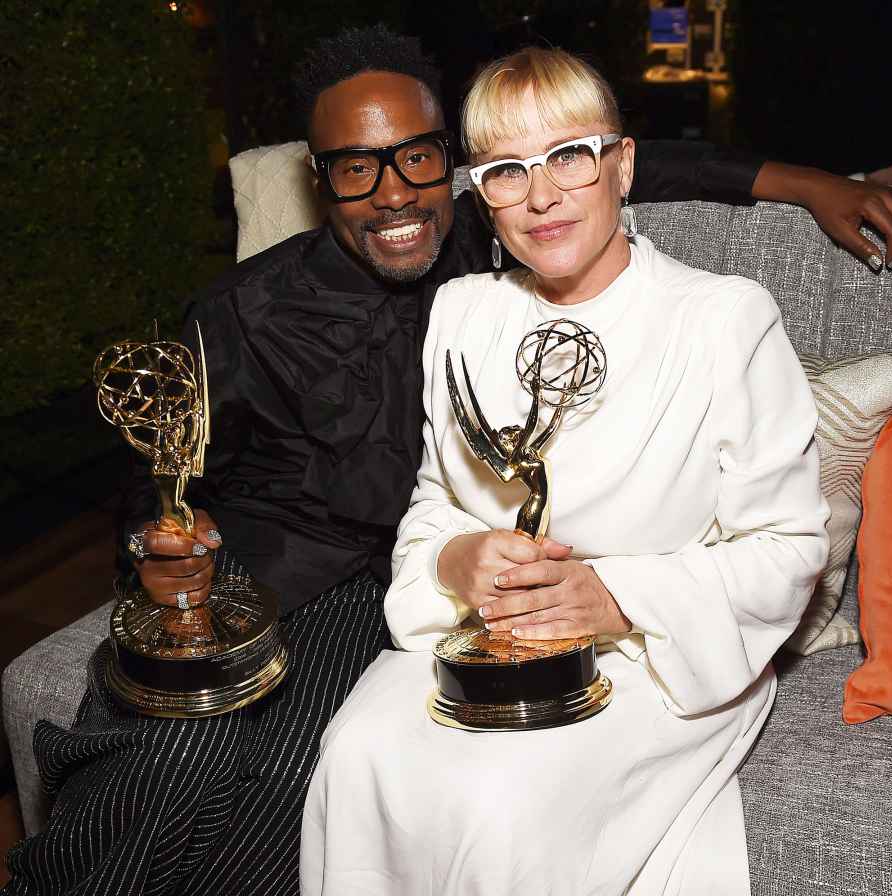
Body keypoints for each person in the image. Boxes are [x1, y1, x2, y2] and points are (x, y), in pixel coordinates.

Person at [1, 24, 892, 896]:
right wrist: (163, 552)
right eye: (356, 169)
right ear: (323, 184)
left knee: (324, 780)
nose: (393, 196)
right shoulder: (271, 309)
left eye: (417, 160)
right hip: (295, 579)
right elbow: (165, 490)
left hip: (513, 617)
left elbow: (602, 159)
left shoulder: (537, 258)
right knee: (209, 756)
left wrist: (811, 181)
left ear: (447, 170)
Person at [297, 47, 830, 894]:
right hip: (481, 641)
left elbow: (791, 546)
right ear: (482, 197)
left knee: (501, 809)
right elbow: (437, 498)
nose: (540, 195)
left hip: (658, 653)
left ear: (621, 167)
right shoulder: (463, 313)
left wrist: (617, 597)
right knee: (355, 756)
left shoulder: (725, 319)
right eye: (507, 171)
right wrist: (451, 560)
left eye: (569, 157)